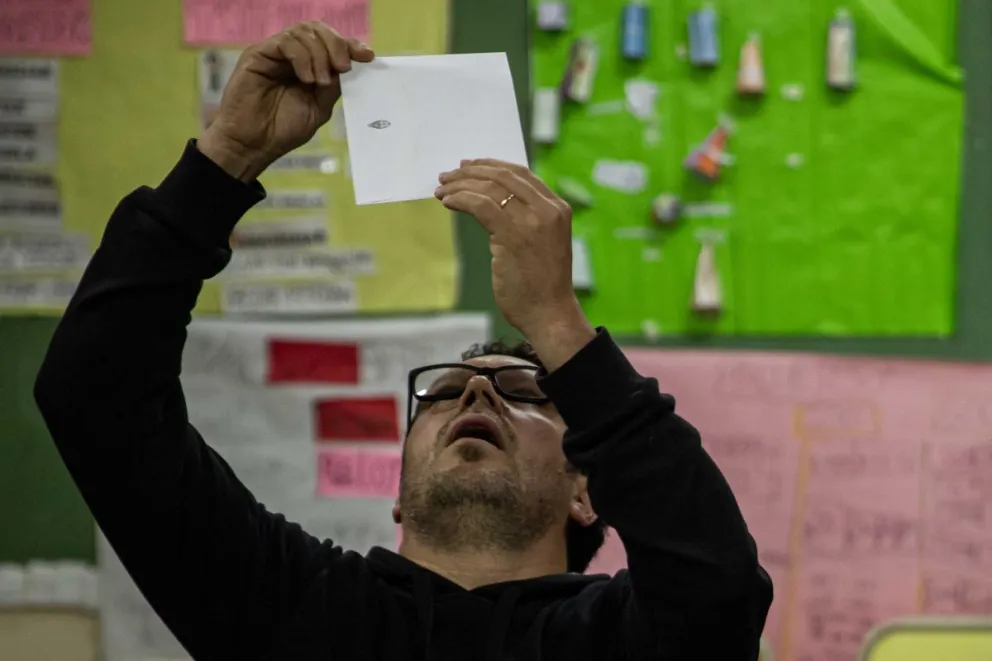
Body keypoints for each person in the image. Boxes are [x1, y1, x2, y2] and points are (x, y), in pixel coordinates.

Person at [34, 21, 772, 661]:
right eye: (441, 392)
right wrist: (225, 158)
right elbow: (95, 398)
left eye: (522, 391)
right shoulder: (298, 609)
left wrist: (557, 323)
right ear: (399, 493)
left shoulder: (628, 637)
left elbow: (719, 580)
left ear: (587, 487)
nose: (474, 388)